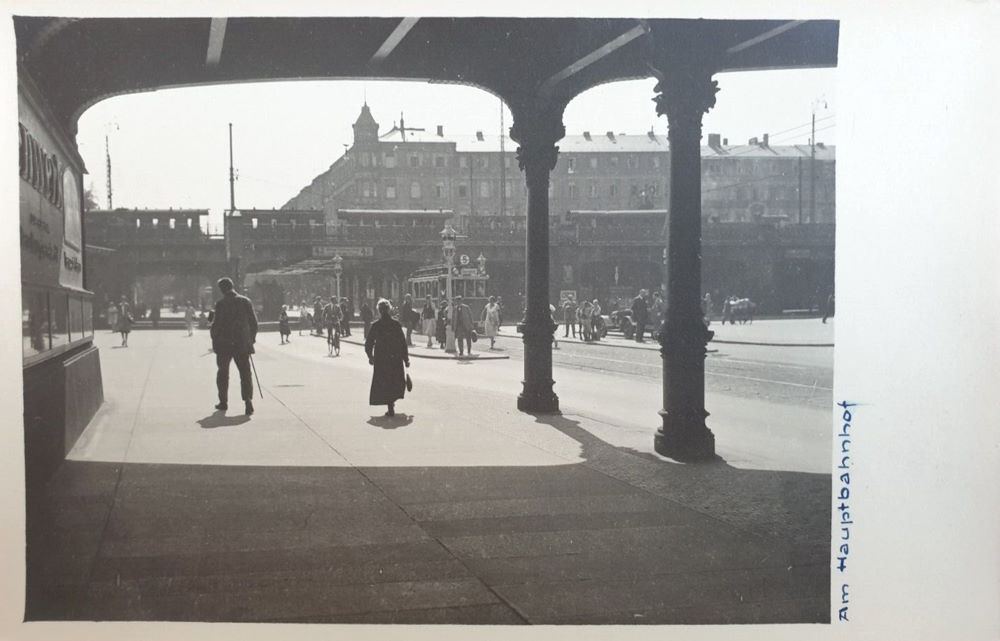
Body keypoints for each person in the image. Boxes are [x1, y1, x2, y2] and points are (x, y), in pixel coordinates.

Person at [210, 277, 258, 415]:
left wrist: (214, 340)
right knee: (245, 373)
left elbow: (216, 326)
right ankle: (248, 401)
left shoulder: (221, 304)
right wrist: (251, 340)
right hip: (242, 344)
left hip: (224, 345)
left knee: (223, 373)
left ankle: (223, 402)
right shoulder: (245, 301)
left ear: (221, 289)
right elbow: (254, 323)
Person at [365, 299, 410, 417]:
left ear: (379, 311)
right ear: (389, 309)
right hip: (394, 357)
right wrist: (406, 358)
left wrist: (370, 356)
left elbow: (369, 343)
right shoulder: (395, 324)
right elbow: (402, 342)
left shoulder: (376, 325)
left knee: (384, 381)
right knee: (394, 380)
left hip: (381, 358)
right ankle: (391, 403)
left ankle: (389, 404)